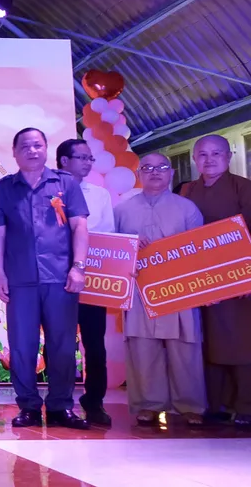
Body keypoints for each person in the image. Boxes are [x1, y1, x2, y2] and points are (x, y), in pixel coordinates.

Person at [0, 128, 90, 430]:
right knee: (22, 346)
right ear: (15, 153)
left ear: (46, 149)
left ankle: (61, 406)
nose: (32, 151)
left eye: (37, 145)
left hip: (60, 278)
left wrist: (78, 267)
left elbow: (79, 227)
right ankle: (28, 406)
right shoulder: (4, 188)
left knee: (62, 345)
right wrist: (0, 273)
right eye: (25, 147)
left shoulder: (66, 184)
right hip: (20, 280)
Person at [116, 153, 207, 426]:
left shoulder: (187, 208)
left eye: (162, 167)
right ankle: (148, 404)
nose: (155, 172)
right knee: (142, 348)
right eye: (147, 168)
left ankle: (190, 405)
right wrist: (130, 245)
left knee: (185, 349)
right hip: (139, 290)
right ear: (139, 174)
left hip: (179, 289)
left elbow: (200, 250)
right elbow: (114, 252)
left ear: (171, 173)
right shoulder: (122, 210)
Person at [181, 135, 251, 427]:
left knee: (239, 341)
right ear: (195, 159)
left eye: (216, 153)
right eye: (203, 154)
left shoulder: (243, 187)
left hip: (236, 279)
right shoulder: (187, 190)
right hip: (199, 280)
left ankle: (245, 405)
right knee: (205, 342)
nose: (209, 160)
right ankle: (214, 404)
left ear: (229, 156)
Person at [56, 139, 114, 426]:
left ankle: (94, 401)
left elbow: (109, 236)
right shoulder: (49, 192)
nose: (88, 163)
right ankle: (60, 401)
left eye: (90, 158)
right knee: (59, 343)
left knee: (95, 344)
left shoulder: (100, 195)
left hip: (93, 279)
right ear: (64, 161)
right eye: (82, 158)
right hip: (56, 279)